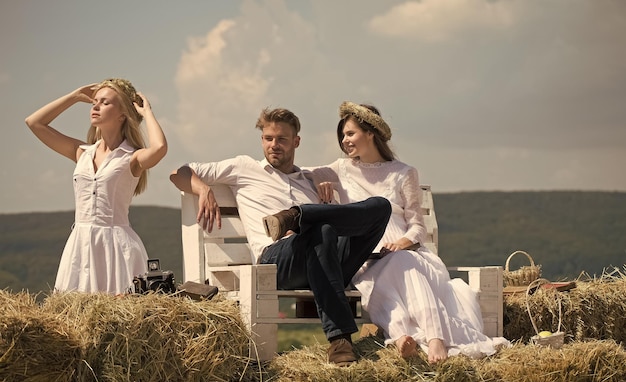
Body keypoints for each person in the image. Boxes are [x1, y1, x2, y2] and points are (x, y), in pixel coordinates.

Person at [169, 107, 391, 366]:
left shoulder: (309, 179)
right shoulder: (244, 167)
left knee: (380, 207)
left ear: (296, 141)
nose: (274, 145)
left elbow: (361, 176)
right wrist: (203, 188)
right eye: (268, 138)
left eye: (282, 139)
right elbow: (179, 172)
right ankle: (340, 340)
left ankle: (297, 216)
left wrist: (326, 200)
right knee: (321, 229)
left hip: (324, 261)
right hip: (277, 260)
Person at [311, 101, 510, 364]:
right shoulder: (341, 169)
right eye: (343, 135)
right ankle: (409, 338)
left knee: (402, 264)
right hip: (365, 256)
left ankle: (427, 337)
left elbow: (417, 225)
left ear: (370, 132)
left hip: (404, 251)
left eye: (350, 133)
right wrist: (321, 181)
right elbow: (305, 174)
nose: (345, 140)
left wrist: (403, 242)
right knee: (379, 283)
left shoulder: (403, 172)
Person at [25, 78, 168, 295]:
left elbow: (159, 147)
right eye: (95, 101)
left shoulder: (132, 157)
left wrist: (146, 112)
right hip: (80, 246)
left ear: (123, 115)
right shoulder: (81, 152)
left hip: (117, 249)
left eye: (105, 102)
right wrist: (74, 96)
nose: (96, 106)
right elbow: (34, 122)